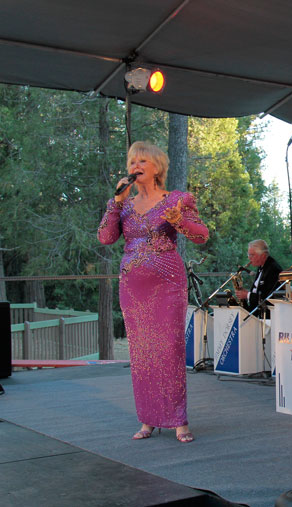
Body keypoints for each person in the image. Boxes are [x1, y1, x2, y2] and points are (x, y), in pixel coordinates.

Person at [98, 141, 208, 443]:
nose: (135, 166)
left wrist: (179, 221)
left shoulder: (177, 199)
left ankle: (177, 420)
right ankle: (147, 418)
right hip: (133, 287)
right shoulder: (125, 205)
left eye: (142, 161)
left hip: (167, 283)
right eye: (132, 161)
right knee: (143, 353)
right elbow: (106, 237)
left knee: (169, 349)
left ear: (157, 167)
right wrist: (115, 202)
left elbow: (201, 235)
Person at [235, 239, 282, 318]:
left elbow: (268, 298)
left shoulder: (273, 269)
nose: (249, 258)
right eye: (248, 255)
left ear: (263, 255)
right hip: (257, 313)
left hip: (267, 316)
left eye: (252, 255)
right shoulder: (261, 266)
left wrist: (247, 295)